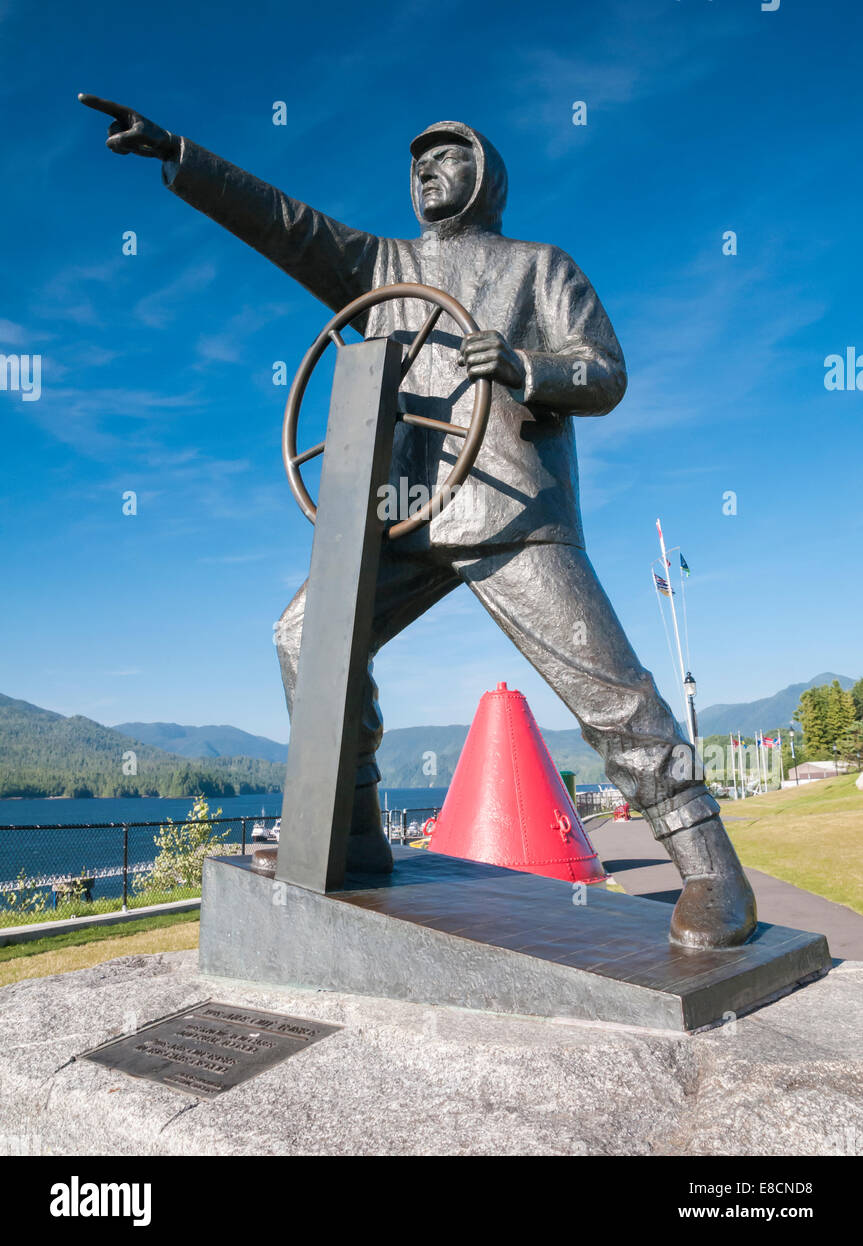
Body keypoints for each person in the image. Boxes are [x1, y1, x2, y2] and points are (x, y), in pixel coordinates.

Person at [79, 94, 756, 948]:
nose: (426, 169)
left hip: (511, 509)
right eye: (417, 161)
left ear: (488, 177)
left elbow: (604, 373)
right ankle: (356, 836)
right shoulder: (379, 265)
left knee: (611, 696)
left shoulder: (540, 267)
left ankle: (711, 872)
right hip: (404, 516)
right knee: (303, 638)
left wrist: (521, 366)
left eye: (448, 156)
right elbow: (285, 222)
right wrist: (181, 150)